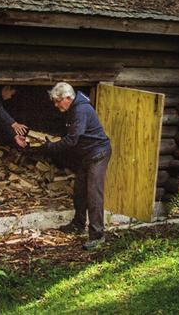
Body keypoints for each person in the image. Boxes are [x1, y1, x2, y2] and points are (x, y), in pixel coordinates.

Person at [17, 82, 111, 250]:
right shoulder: (73, 108)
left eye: (57, 101)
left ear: (68, 98)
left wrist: (50, 147)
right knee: (80, 191)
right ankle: (78, 224)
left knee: (93, 194)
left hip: (97, 153)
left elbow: (72, 140)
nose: (55, 105)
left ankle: (97, 236)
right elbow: (70, 135)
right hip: (86, 154)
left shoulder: (80, 110)